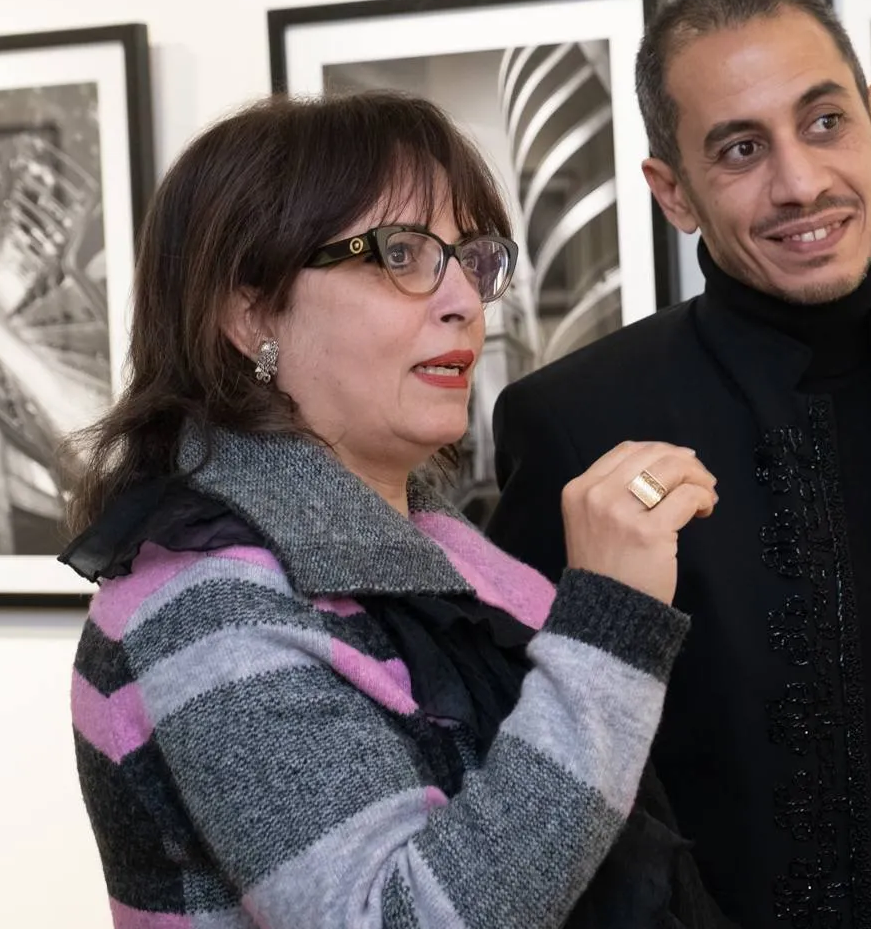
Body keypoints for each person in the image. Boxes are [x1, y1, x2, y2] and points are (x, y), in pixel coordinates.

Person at [59, 91, 735, 929]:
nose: (465, 302)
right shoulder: (210, 604)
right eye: (401, 254)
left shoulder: (439, 546)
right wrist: (610, 625)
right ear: (249, 311)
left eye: (471, 258)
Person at [486, 0, 871, 929]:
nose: (801, 183)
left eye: (824, 123)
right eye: (741, 149)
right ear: (674, 192)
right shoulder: (574, 421)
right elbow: (550, 800)